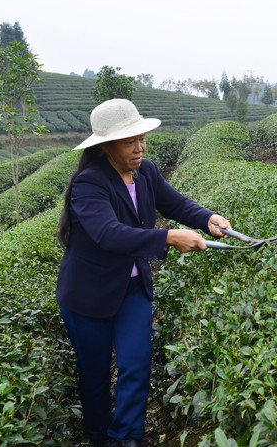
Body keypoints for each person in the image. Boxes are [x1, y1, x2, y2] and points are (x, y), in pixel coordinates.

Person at [56, 98, 231, 447]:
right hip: (87, 296)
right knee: (94, 374)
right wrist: (168, 237)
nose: (139, 147)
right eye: (128, 141)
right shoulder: (89, 184)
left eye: (141, 138)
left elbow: (176, 204)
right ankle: (99, 436)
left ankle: (127, 438)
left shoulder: (146, 171)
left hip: (132, 289)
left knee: (136, 364)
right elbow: (108, 234)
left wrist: (207, 218)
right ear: (106, 145)